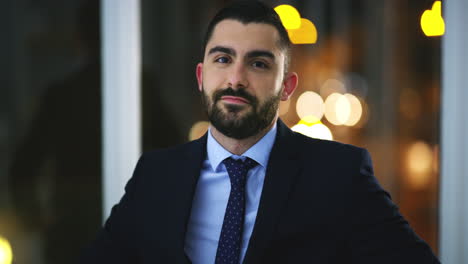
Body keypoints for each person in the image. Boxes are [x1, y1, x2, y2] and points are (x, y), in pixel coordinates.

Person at [80, 1, 439, 263]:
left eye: (258, 63)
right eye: (222, 59)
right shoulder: (156, 175)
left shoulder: (339, 175)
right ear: (202, 77)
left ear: (287, 86)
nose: (236, 78)